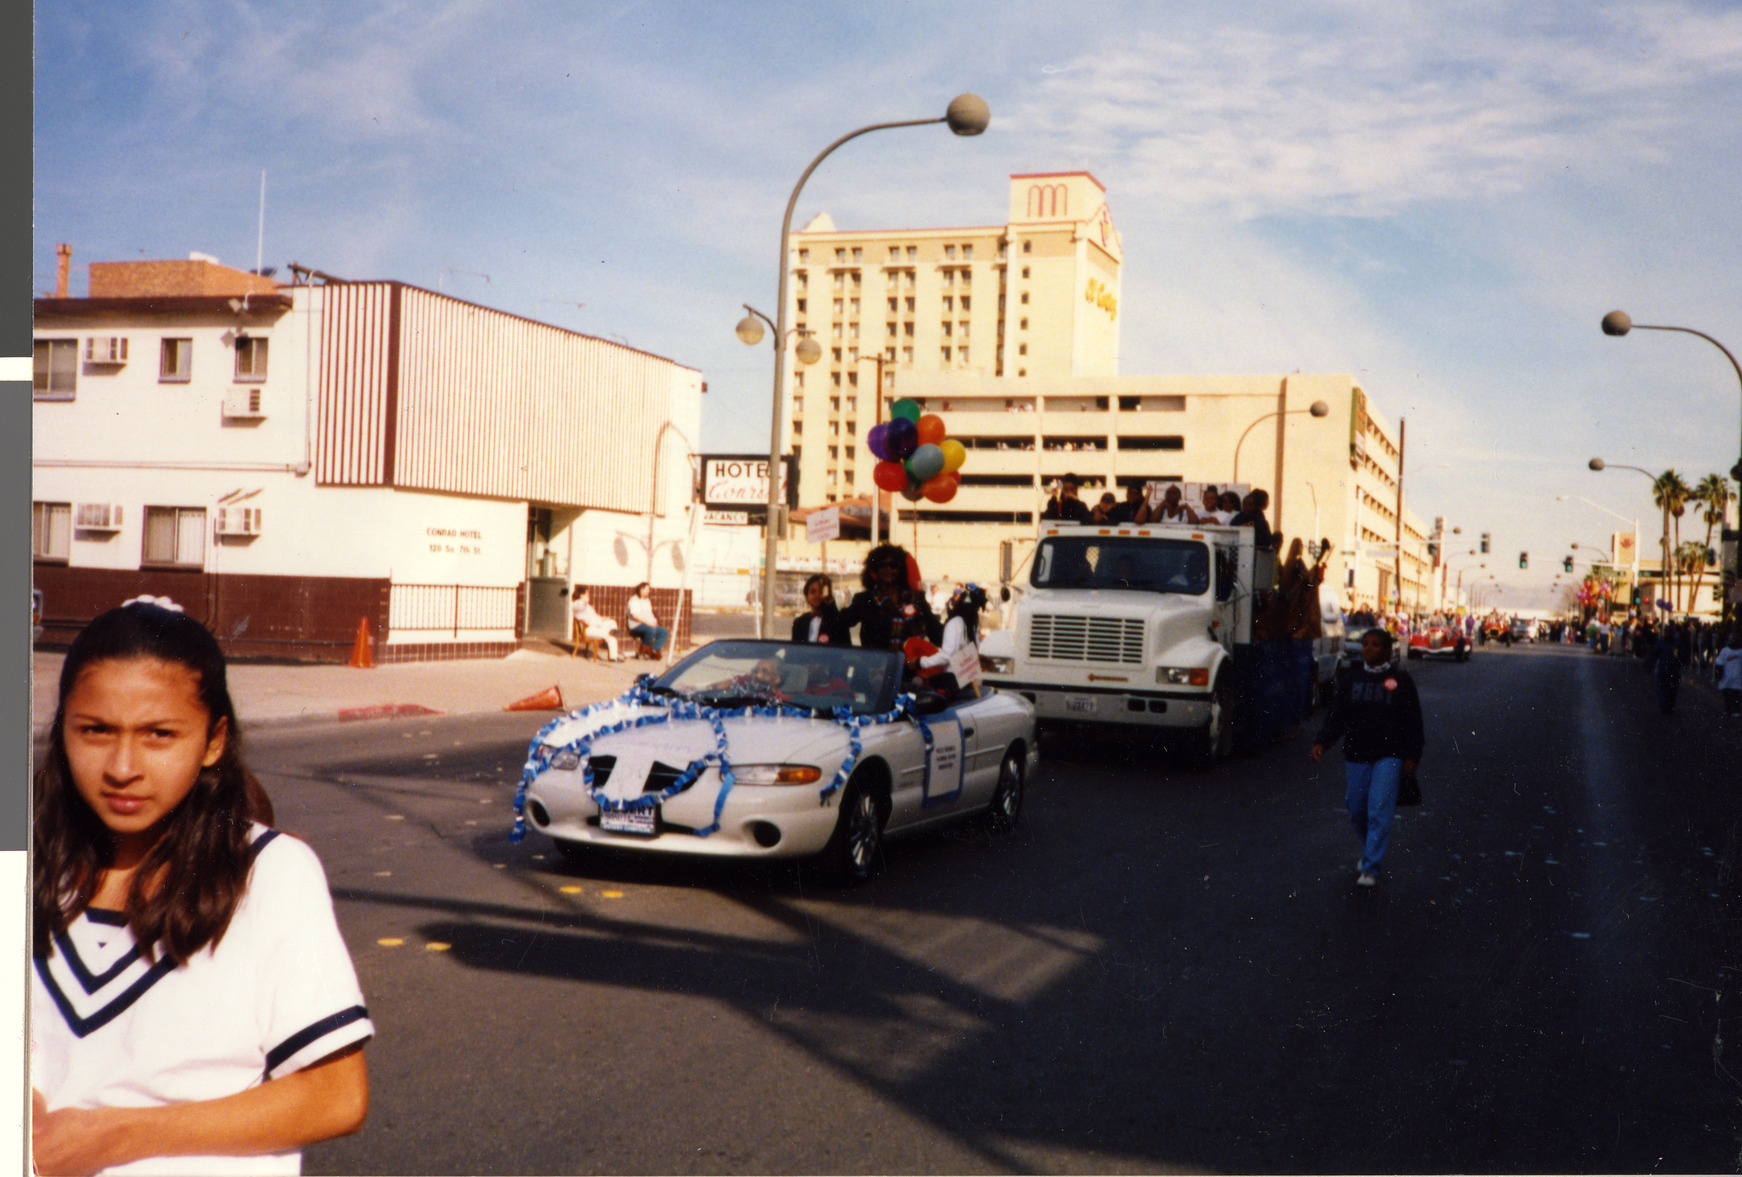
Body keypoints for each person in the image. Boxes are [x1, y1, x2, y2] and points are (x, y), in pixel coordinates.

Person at [31, 601, 372, 1175]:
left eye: (159, 735)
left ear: (213, 741)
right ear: (63, 727)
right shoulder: (35, 865)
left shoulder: (270, 873)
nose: (122, 766)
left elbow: (336, 1095)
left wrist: (115, 1134)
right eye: (95, 731)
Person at [1311, 627, 1425, 888]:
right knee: (1357, 809)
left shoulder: (1402, 681)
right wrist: (1322, 742)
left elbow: (1413, 722)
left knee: (1379, 810)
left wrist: (1413, 755)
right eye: (1365, 644)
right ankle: (1370, 850)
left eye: (1375, 645)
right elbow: (1336, 717)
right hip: (1357, 753)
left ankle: (1371, 867)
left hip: (1390, 755)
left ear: (1387, 650)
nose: (1368, 649)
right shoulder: (1351, 681)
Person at [838, 543, 941, 654]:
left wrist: (956, 624)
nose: (888, 569)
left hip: (908, 668)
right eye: (883, 565)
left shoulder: (916, 599)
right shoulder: (864, 600)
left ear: (901, 570)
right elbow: (838, 624)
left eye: (893, 565)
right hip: (875, 668)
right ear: (874, 571)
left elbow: (937, 634)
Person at [916, 584, 990, 699]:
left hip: (952, 680)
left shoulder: (955, 623)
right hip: (965, 680)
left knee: (916, 683)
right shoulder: (972, 625)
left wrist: (920, 662)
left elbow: (946, 656)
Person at [791, 574, 850, 645]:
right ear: (806, 597)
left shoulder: (836, 621)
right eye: (813, 592)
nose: (817, 595)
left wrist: (829, 599)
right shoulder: (799, 623)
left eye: (821, 591)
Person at [570, 588, 621, 661]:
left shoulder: (588, 606)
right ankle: (613, 655)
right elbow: (579, 607)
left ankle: (610, 643)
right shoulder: (577, 604)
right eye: (586, 594)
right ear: (581, 595)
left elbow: (595, 617)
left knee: (612, 622)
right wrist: (583, 601)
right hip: (588, 630)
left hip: (597, 626)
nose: (588, 596)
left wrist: (603, 618)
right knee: (610, 634)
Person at [624, 582, 669, 659]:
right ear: (641, 590)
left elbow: (650, 613)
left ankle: (653, 649)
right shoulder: (634, 600)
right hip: (636, 625)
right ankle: (643, 650)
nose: (649, 591)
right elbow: (636, 616)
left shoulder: (647, 600)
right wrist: (649, 623)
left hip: (649, 624)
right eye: (647, 589)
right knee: (651, 630)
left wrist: (654, 621)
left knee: (664, 632)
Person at [1716, 627, 1742, 718]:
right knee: (1729, 693)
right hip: (1729, 676)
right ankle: (1730, 709)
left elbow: (1719, 662)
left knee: (1734, 694)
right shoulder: (1725, 651)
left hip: (1735, 677)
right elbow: (1719, 663)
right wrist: (1718, 673)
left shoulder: (1738, 651)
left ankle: (1733, 709)